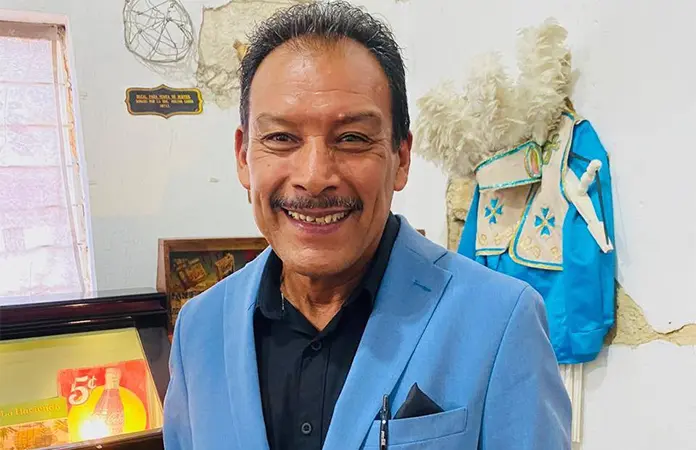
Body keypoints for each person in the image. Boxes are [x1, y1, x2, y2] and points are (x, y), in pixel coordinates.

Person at [162, 2, 571, 449]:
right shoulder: (199, 330)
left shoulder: (500, 320)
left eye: (352, 138)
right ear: (244, 157)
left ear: (401, 158)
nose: (314, 177)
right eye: (281, 138)